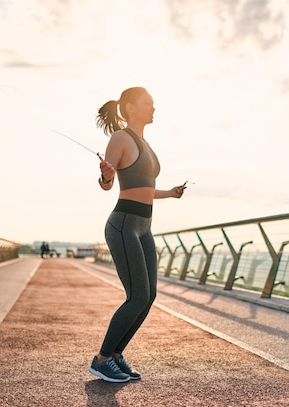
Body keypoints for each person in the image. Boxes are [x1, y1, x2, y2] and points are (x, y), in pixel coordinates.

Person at [88, 86, 185, 383]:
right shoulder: (121, 138)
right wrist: (106, 174)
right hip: (123, 224)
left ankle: (116, 355)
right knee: (137, 295)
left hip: (144, 226)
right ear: (130, 108)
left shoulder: (144, 142)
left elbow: (143, 187)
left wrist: (169, 193)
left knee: (149, 295)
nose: (153, 108)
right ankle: (102, 359)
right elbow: (108, 183)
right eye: (148, 103)